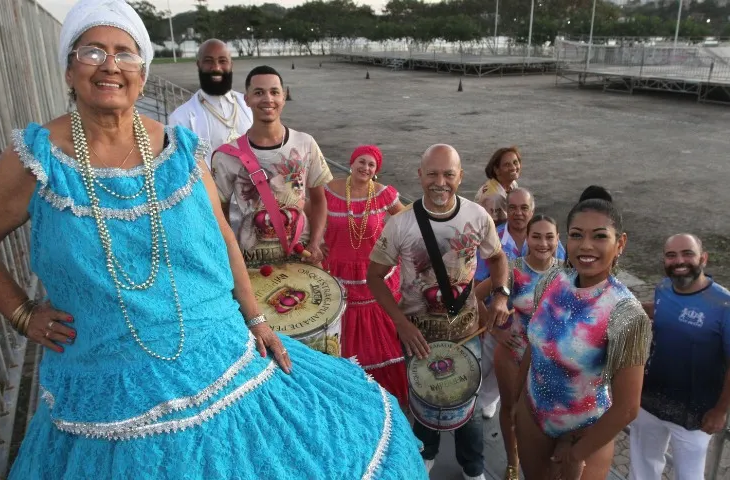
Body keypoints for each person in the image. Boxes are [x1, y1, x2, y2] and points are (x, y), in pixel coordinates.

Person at [0, 1, 425, 478]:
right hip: (105, 382)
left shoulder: (176, 149)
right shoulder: (36, 159)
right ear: (68, 69)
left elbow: (223, 235)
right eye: (92, 52)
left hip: (219, 356)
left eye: (125, 54)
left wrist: (258, 319)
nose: (110, 66)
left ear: (141, 75)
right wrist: (21, 313)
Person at [368, 144, 511, 480]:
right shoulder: (400, 224)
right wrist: (400, 323)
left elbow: (497, 258)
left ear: (461, 176)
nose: (440, 182)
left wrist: (501, 295)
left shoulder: (477, 217)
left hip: (466, 333)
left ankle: (473, 468)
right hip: (418, 336)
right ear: (420, 175)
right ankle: (426, 455)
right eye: (432, 173)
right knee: (423, 400)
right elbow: (373, 276)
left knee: (470, 409)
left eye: (449, 174)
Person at [513, 186, 652, 480]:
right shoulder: (552, 280)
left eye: (599, 236)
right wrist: (516, 402)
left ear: (620, 243)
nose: (586, 245)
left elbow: (628, 408)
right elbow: (535, 345)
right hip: (532, 415)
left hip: (585, 433)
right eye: (577, 235)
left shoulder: (626, 313)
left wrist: (577, 454)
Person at [628, 234, 730, 480]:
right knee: (642, 467)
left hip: (697, 413)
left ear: (703, 258)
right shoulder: (663, 288)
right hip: (650, 400)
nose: (679, 261)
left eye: (687, 253)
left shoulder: (728, 306)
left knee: (689, 476)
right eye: (671, 255)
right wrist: (622, 304)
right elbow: (660, 308)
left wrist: (720, 411)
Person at [211, 66, 328, 267]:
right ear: (246, 99)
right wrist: (231, 255)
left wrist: (316, 242)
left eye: (274, 92)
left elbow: (319, 201)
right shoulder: (225, 156)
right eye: (258, 92)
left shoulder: (306, 143)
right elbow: (218, 213)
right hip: (252, 262)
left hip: (302, 255)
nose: (268, 99)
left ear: (284, 97)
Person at [474, 214, 562, 480]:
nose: (543, 243)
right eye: (537, 236)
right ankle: (513, 463)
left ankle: (544, 462)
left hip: (550, 359)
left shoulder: (567, 274)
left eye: (549, 237)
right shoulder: (513, 270)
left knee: (546, 414)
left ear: (558, 240)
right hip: (513, 352)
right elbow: (474, 296)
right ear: (527, 239)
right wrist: (494, 331)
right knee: (512, 410)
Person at [322, 145, 408, 405]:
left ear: (376, 172)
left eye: (372, 165)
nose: (366, 168)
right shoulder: (328, 190)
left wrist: (395, 245)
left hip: (373, 274)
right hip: (337, 273)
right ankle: (346, 396)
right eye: (362, 161)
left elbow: (406, 220)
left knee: (382, 340)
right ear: (352, 162)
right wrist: (314, 241)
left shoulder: (384, 195)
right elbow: (308, 216)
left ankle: (385, 398)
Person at [472, 187, 566, 422]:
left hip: (533, 339)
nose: (518, 213)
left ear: (532, 210)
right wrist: (490, 326)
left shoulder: (548, 241)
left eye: (524, 208)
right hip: (494, 326)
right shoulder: (492, 239)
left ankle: (490, 404)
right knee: (478, 375)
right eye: (512, 208)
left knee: (511, 392)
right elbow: (476, 287)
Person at [168, 39, 252, 232]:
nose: (216, 67)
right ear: (198, 64)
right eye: (208, 61)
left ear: (231, 64)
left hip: (255, 207)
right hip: (212, 212)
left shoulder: (249, 105)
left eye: (223, 60)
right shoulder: (180, 119)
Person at [474, 146, 521, 226]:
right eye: (507, 165)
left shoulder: (512, 184)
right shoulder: (495, 197)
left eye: (515, 162)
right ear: (497, 170)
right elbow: (491, 227)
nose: (513, 168)